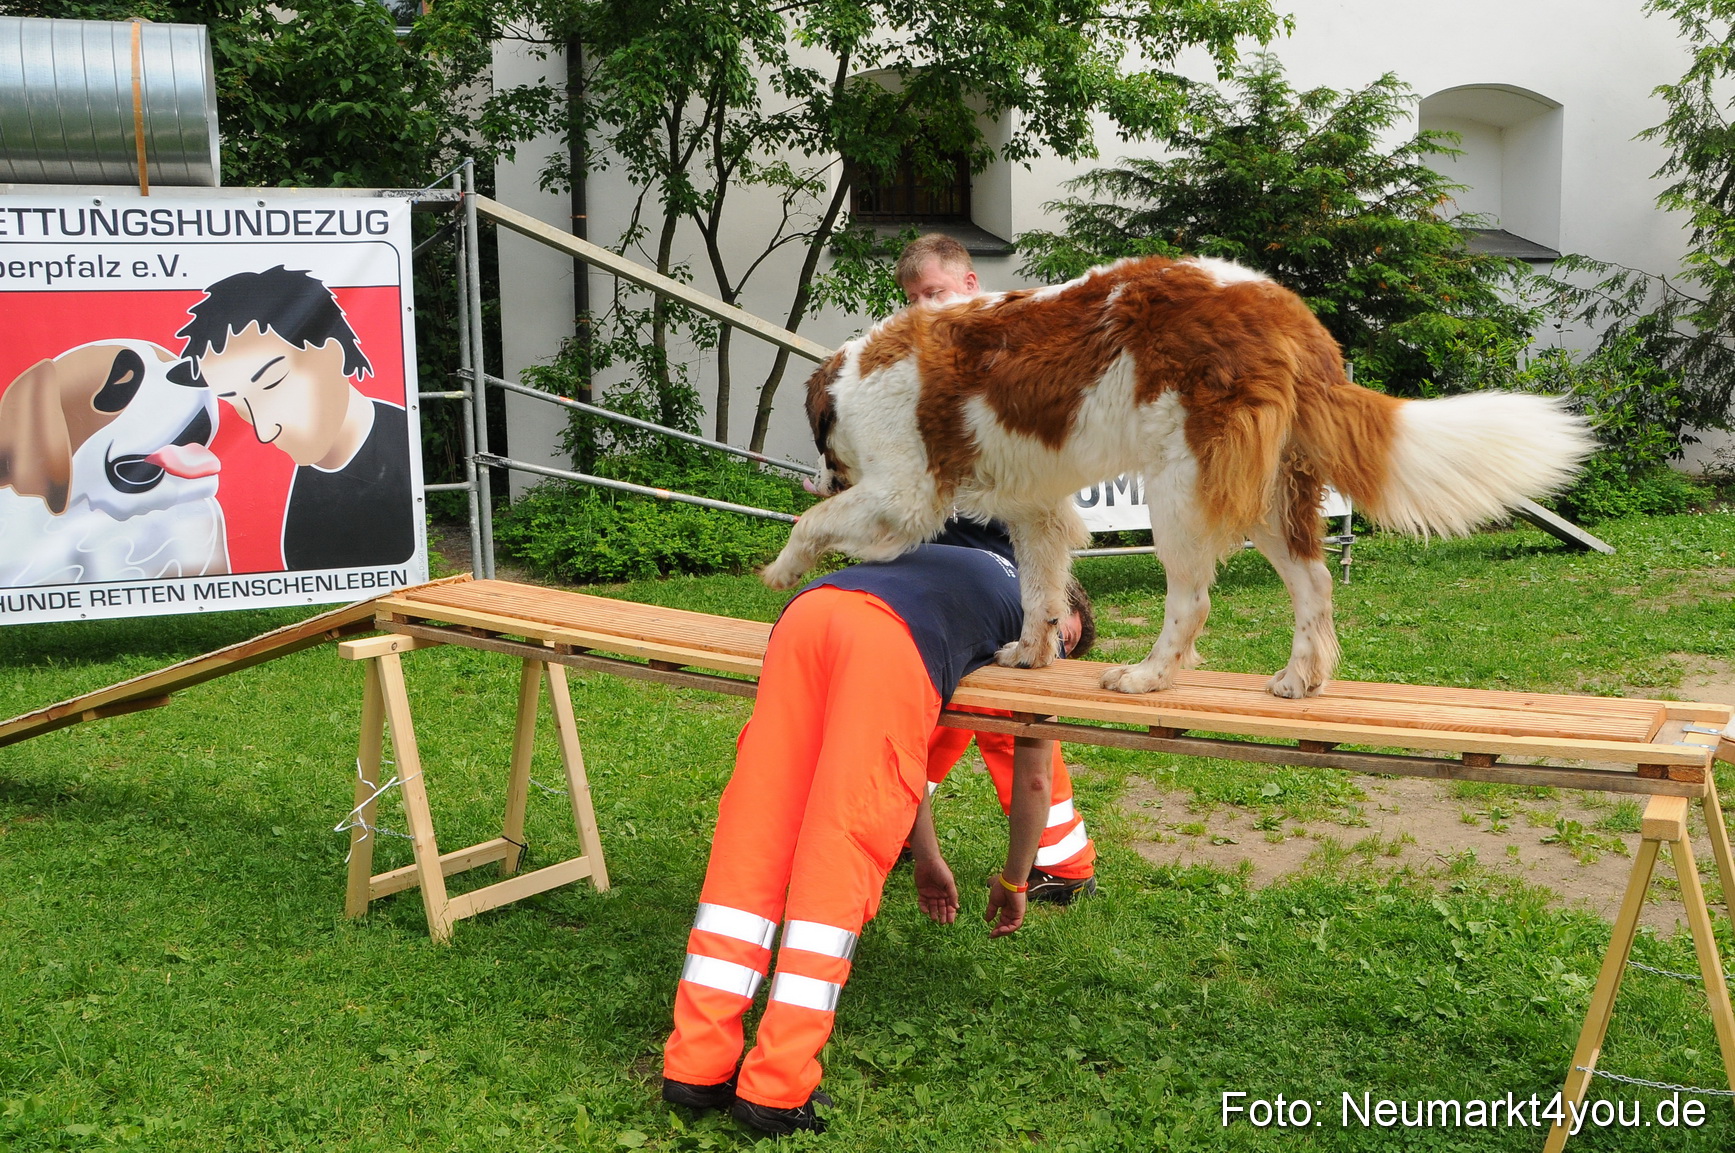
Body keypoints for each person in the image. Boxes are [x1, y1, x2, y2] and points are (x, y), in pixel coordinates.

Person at [661, 519, 1094, 1136]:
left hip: (812, 613)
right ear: (1060, 598)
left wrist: (926, 854)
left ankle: (696, 1063)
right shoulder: (1039, 613)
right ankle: (775, 1089)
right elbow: (1031, 777)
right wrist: (1017, 880)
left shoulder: (947, 553)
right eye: (1070, 638)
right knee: (838, 855)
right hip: (886, 643)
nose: (1063, 648)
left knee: (754, 836)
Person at [895, 235, 1099, 901]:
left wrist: (1054, 597)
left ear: (970, 281)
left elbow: (1043, 496)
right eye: (913, 298)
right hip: (944, 569)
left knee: (995, 719)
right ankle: (901, 825)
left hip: (1004, 578)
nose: (925, 307)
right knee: (956, 712)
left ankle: (1060, 863)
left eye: (936, 292)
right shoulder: (923, 367)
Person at [173, 265, 415, 570]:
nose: (264, 430)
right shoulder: (309, 481)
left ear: (331, 351)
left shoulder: (404, 448)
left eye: (272, 382)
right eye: (235, 401)